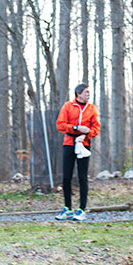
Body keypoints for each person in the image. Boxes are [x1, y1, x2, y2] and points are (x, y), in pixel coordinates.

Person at [54, 84, 100, 221]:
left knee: (82, 177)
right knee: (66, 177)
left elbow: (96, 127)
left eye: (89, 92)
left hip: (84, 145)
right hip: (69, 143)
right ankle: (67, 208)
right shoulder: (68, 106)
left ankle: (82, 209)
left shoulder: (91, 108)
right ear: (78, 93)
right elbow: (60, 124)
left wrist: (87, 135)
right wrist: (76, 127)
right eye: (86, 92)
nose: (88, 94)